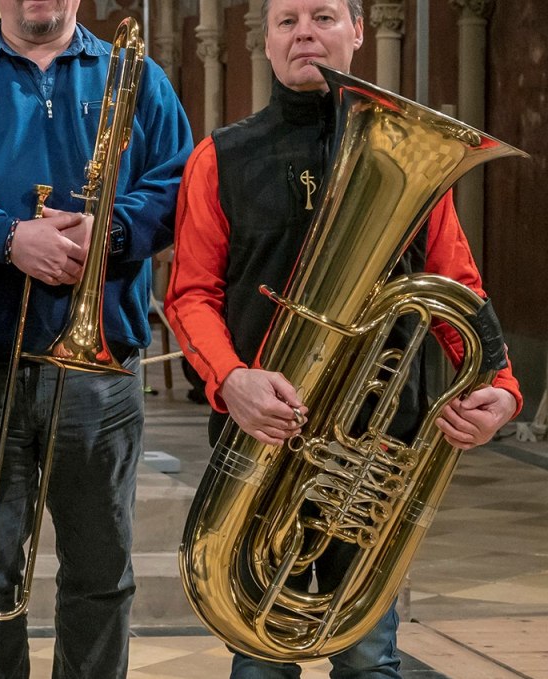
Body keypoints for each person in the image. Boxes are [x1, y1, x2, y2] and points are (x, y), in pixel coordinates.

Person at [166, 0, 522, 675]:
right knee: (259, 658)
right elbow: (191, 294)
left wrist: (501, 386)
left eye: (324, 16)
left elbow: (457, 285)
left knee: (367, 653)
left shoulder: (414, 156)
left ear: (358, 32)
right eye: (287, 20)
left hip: (372, 452)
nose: (305, 32)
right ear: (265, 41)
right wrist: (230, 378)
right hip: (260, 446)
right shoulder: (220, 157)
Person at [0, 0, 192, 675]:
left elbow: (177, 183)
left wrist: (111, 233)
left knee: (100, 569)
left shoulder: (138, 77)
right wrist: (7, 237)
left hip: (100, 367)